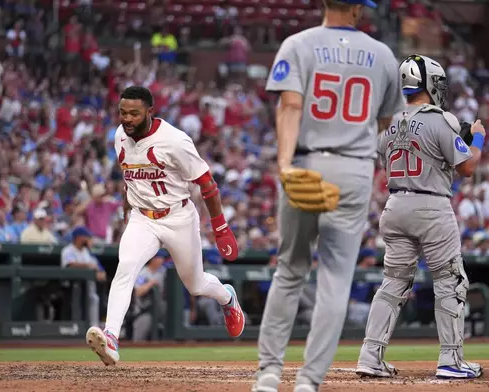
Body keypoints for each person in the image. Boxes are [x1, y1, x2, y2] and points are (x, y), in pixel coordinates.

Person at [252, 0, 405, 390]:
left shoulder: (298, 43)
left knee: (290, 269)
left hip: (304, 161)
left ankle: (269, 374)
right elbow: (389, 127)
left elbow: (290, 106)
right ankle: (309, 381)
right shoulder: (382, 54)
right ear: (357, 8)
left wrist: (285, 166)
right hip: (353, 167)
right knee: (336, 279)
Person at [86, 86, 245, 366]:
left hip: (178, 217)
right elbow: (130, 180)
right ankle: (110, 337)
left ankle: (227, 297)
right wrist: (127, 214)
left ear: (150, 111)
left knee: (195, 285)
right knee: (125, 269)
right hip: (142, 218)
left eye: (134, 113)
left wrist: (220, 227)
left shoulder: (174, 141)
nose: (127, 118)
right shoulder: (120, 136)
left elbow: (207, 184)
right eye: (123, 112)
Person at [356, 54, 485, 380]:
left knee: (394, 282)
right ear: (429, 83)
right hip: (431, 207)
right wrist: (478, 137)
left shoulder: (387, 122)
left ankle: (370, 356)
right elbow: (467, 167)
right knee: (451, 279)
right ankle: (451, 360)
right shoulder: (440, 119)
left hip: (395, 204)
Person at [61, 227, 105, 328]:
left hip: (87, 286)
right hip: (70, 286)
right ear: (79, 238)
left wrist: (100, 271)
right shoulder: (67, 251)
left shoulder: (87, 251)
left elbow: (97, 265)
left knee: (94, 297)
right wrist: (87, 265)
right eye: (86, 237)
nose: (88, 239)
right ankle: (76, 327)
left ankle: (93, 326)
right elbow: (70, 264)